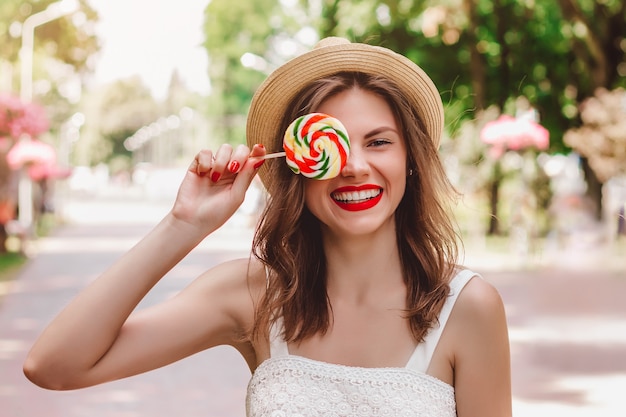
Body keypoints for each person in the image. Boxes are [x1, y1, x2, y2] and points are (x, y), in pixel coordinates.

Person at [24, 37, 512, 417]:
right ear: (298, 164)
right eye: (337, 145)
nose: (355, 166)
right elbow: (54, 365)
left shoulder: (467, 307)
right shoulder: (253, 295)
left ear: (411, 160)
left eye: (379, 141)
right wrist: (184, 225)